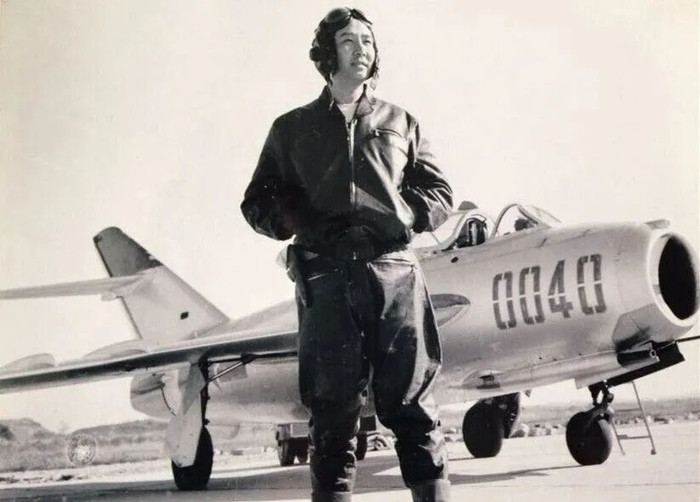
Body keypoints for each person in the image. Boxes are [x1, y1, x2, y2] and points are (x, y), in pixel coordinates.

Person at [241, 8, 452, 501]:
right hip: (326, 280)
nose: (362, 50)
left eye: (368, 41)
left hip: (394, 277)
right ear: (327, 54)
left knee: (414, 407)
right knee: (333, 416)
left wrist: (402, 216)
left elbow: (439, 193)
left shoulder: (401, 122)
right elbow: (257, 203)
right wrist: (300, 222)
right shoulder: (291, 129)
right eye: (349, 41)